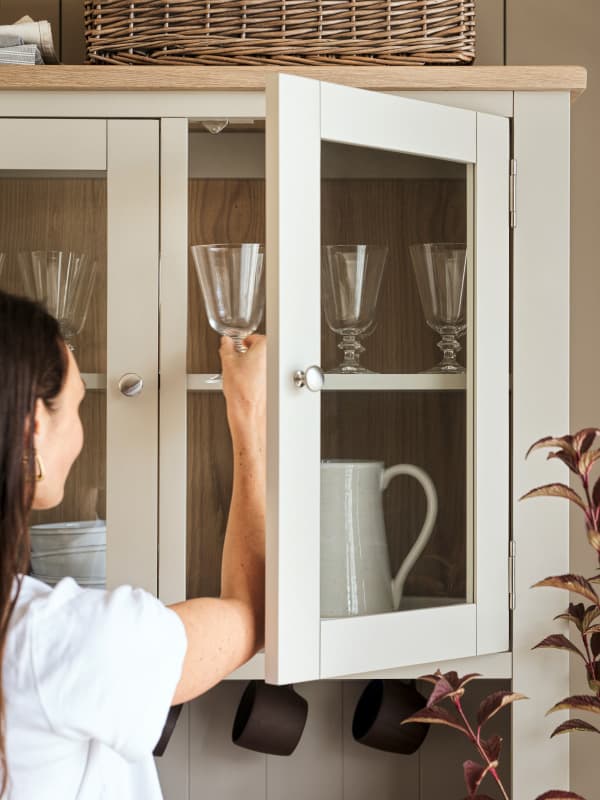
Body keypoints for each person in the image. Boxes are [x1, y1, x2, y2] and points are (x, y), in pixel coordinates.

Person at [0, 289, 266, 799]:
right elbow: (255, 610)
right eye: (80, 406)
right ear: (34, 428)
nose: (80, 432)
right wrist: (249, 411)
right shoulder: (53, 641)